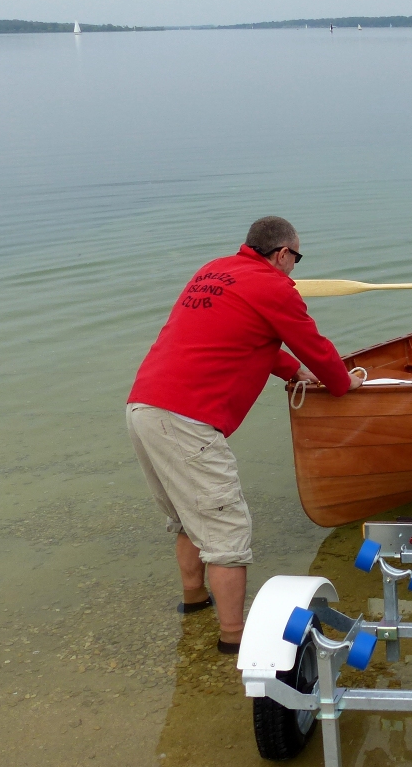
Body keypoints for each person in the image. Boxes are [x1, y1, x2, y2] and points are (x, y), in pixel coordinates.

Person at [126, 216, 363, 653]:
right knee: (227, 532)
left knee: (187, 515)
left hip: (143, 407)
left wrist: (293, 372)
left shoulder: (213, 270)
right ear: (282, 254)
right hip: (185, 419)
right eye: (296, 258)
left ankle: (194, 602)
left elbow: (244, 337)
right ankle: (233, 639)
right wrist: (344, 385)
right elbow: (314, 344)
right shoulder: (274, 287)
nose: (294, 268)